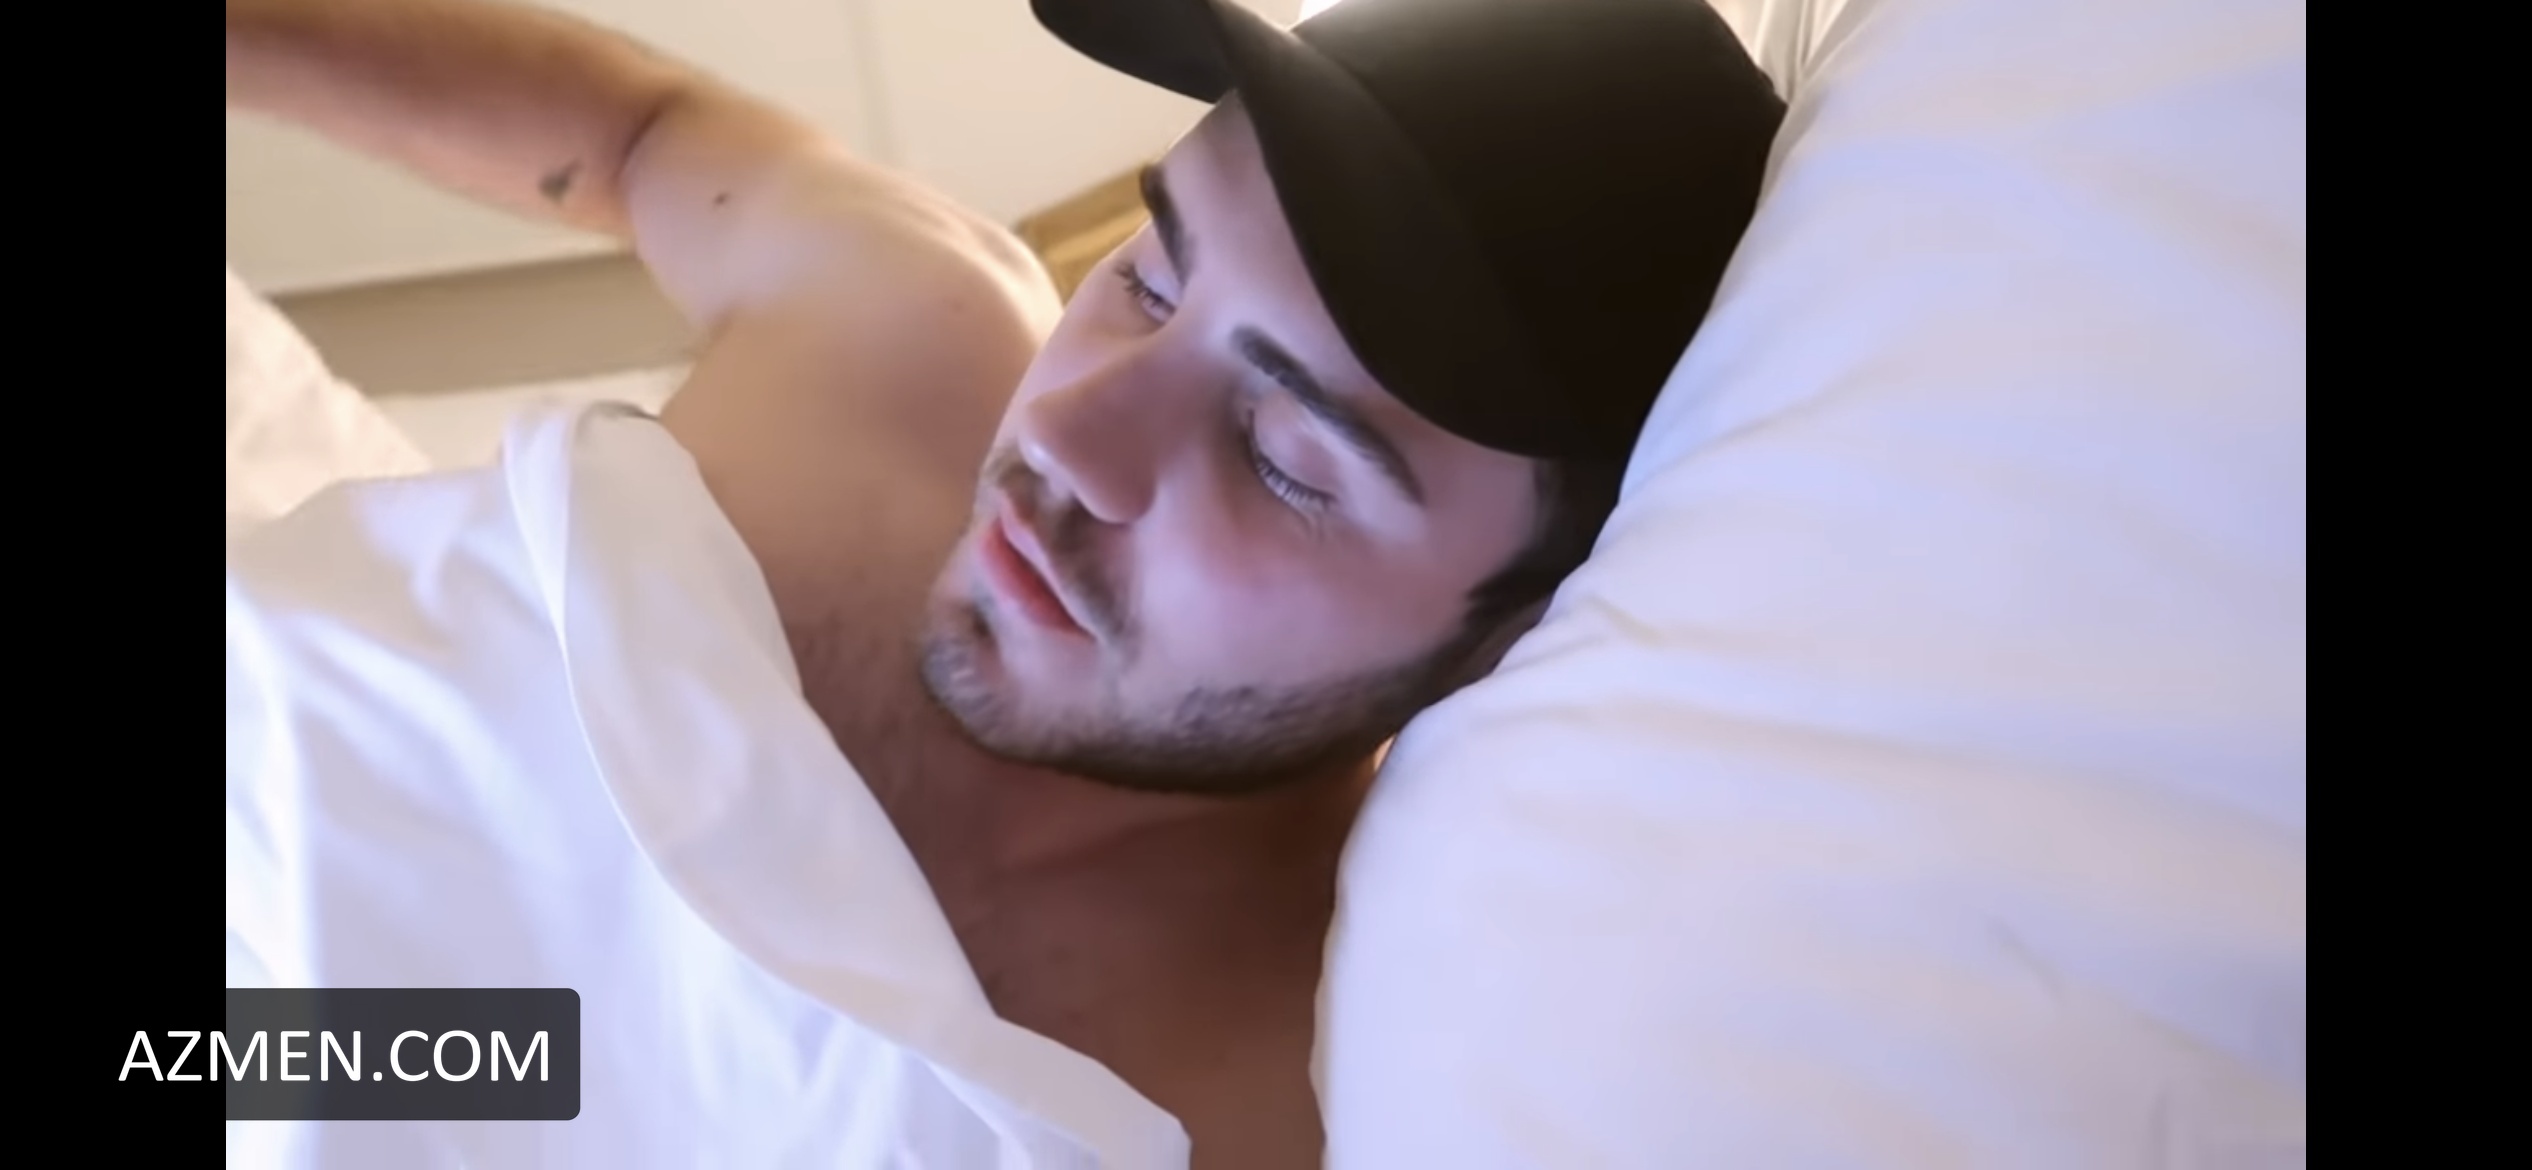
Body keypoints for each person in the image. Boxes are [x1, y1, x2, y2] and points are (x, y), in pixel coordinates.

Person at [222, 0, 1783, 1164]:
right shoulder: (907, 334)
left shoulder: (1307, 1087)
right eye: (1151, 279)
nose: (1066, 432)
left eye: (1285, 456)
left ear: (1524, 631)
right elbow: (636, 135)